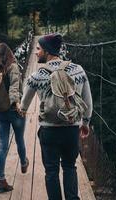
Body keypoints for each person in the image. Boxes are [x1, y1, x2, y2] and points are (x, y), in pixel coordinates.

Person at [19, 34, 93, 200]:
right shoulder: (78, 70)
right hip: (72, 129)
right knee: (69, 167)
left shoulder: (36, 76)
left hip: (49, 131)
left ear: (47, 51)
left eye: (38, 49)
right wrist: (86, 123)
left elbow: (23, 105)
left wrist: (20, 109)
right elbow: (88, 101)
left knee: (51, 170)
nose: (36, 52)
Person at [0, 43, 29, 192]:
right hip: (14, 110)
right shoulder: (13, 67)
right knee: (19, 139)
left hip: (0, 112)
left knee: (2, 145)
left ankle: (0, 180)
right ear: (9, 54)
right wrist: (16, 103)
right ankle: (24, 162)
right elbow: (14, 86)